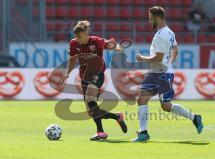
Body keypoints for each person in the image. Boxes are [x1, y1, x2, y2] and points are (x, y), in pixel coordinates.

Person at [133, 6, 204, 142]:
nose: (149, 21)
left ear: (157, 17)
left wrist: (143, 58)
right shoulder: (169, 32)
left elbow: (158, 58)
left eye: (150, 18)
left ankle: (195, 117)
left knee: (166, 106)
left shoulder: (162, 35)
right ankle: (143, 133)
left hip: (162, 74)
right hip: (156, 72)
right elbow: (175, 50)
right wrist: (168, 62)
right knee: (141, 99)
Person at [59, 20, 127, 141]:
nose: (77, 39)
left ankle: (100, 132)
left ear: (86, 33)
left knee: (90, 99)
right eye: (76, 37)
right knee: (92, 111)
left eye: (79, 36)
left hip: (97, 73)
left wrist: (117, 47)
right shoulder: (74, 43)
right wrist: (67, 73)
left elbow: (111, 45)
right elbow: (73, 59)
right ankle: (117, 116)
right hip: (84, 75)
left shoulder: (97, 41)